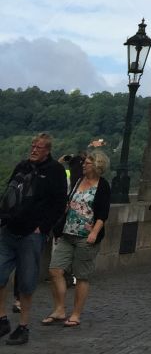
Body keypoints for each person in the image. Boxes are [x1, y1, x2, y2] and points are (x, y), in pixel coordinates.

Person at [0, 132, 68, 345]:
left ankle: (23, 326)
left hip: (32, 234)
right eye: (33, 146)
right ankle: (2, 319)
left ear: (47, 150)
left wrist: (43, 228)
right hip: (10, 229)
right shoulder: (22, 166)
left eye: (38, 147)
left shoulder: (55, 171)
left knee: (27, 282)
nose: (34, 149)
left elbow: (59, 203)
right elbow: (8, 193)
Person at [43, 150, 111, 328]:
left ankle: (76, 314)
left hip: (86, 236)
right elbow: (69, 202)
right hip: (67, 233)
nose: (83, 165)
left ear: (96, 165)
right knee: (55, 270)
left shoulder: (102, 186)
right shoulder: (78, 181)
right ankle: (59, 309)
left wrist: (94, 232)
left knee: (81, 276)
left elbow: (103, 214)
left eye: (87, 163)